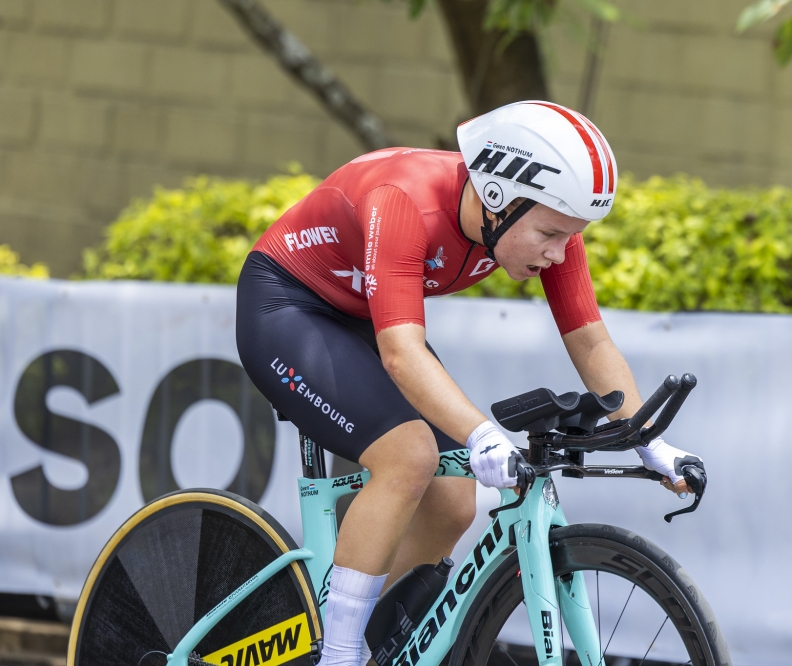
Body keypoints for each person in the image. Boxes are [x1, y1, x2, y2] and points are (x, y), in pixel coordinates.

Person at [235, 101, 706, 666]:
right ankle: (338, 657)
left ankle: (348, 640)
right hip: (288, 306)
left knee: (454, 502)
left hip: (365, 315)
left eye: (572, 235)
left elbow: (591, 342)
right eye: (551, 234)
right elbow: (402, 354)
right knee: (408, 457)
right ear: (497, 200)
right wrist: (484, 436)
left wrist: (648, 441)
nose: (560, 252)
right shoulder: (404, 200)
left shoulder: (539, 221)